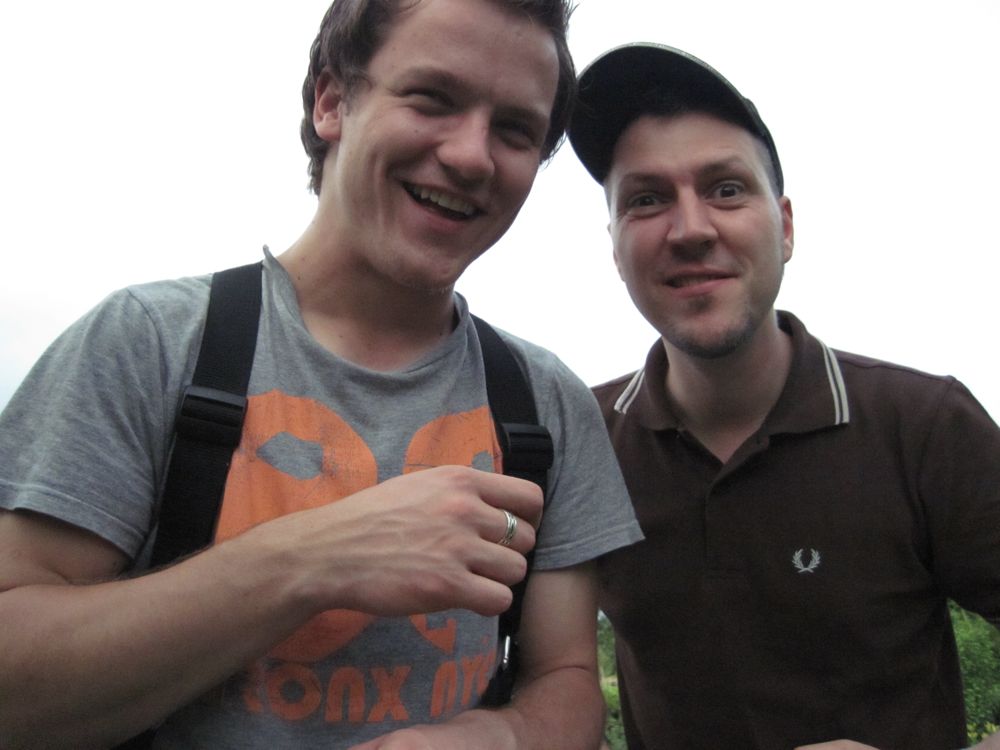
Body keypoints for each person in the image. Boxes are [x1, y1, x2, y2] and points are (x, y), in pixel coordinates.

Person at [0, 2, 643, 748]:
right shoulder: (148, 344)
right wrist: (316, 558)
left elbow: (566, 676)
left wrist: (503, 738)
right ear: (331, 101)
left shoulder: (546, 402)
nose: (473, 156)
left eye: (515, 130)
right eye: (432, 98)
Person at [567, 43, 1000, 750]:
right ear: (615, 247)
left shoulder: (924, 426)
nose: (691, 228)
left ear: (787, 226)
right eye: (646, 199)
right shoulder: (580, 442)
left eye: (726, 189)